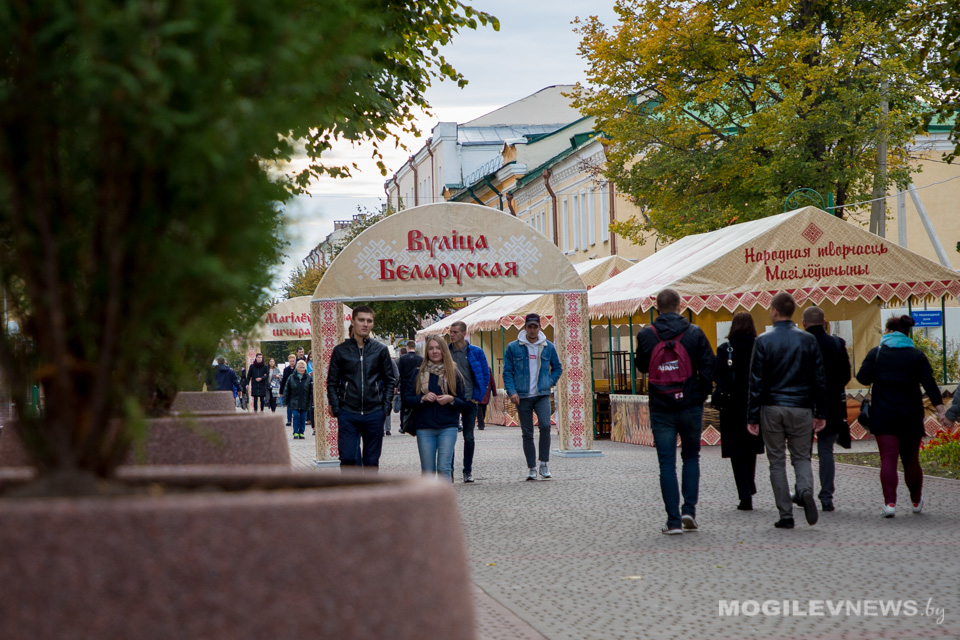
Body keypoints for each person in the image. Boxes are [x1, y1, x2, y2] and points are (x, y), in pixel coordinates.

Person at [634, 289, 715, 534]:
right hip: (690, 405)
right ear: (680, 305)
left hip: (661, 407)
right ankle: (689, 510)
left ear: (657, 308)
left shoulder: (647, 335)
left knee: (666, 465)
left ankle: (673, 521)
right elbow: (709, 367)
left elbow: (642, 366)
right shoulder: (694, 332)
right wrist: (699, 395)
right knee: (691, 457)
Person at [746, 292, 827, 529]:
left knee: (777, 461)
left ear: (774, 310)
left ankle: (785, 514)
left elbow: (756, 382)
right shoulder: (808, 340)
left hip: (772, 407)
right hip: (802, 407)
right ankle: (805, 490)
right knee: (802, 457)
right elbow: (819, 378)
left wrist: (752, 416)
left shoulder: (763, 341)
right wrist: (820, 412)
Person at [855, 315, 948, 517]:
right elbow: (930, 384)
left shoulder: (877, 353)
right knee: (911, 460)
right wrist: (941, 410)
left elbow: (862, 378)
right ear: (907, 333)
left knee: (888, 459)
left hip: (884, 415)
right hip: (910, 415)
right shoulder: (916, 355)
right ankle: (916, 501)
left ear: (889, 331)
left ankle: (889, 504)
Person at [327, 305, 396, 470]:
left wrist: (386, 407)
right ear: (353, 322)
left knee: (371, 461)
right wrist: (336, 407)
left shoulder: (380, 350)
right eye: (361, 320)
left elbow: (390, 380)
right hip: (348, 412)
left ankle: (369, 488)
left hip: (374, 412)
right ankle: (351, 487)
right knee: (348, 457)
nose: (365, 324)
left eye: (369, 321)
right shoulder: (340, 351)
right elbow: (332, 381)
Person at [801, 306, 852, 511]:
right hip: (832, 404)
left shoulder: (800, 343)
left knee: (802, 453)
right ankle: (826, 497)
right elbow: (846, 375)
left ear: (803, 324)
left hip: (804, 404)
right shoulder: (837, 343)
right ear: (824, 322)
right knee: (826, 451)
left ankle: (803, 491)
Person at [503, 313, 563, 481]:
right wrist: (512, 391)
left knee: (545, 425)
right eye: (529, 327)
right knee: (527, 432)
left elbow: (558, 367)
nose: (532, 330)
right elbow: (507, 372)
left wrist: (549, 381)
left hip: (541, 394)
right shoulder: (513, 347)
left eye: (535, 327)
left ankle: (544, 463)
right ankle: (532, 467)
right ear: (525, 327)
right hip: (522, 396)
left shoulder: (548, 346)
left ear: (540, 327)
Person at [713, 312, 763, 511]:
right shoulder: (759, 347)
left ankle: (744, 494)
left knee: (736, 451)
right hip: (753, 403)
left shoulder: (725, 349)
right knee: (750, 449)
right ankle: (749, 485)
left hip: (731, 405)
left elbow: (717, 375)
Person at [404, 336, 467, 480]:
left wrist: (451, 399)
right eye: (431, 348)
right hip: (424, 427)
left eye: (438, 348)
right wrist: (422, 398)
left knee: (444, 468)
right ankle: (429, 496)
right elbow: (407, 399)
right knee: (428, 471)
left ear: (444, 350)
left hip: (448, 427)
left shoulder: (454, 373)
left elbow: (464, 403)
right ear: (427, 352)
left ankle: (444, 495)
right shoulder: (419, 373)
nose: (435, 351)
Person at [448, 321, 491, 483]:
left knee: (469, 437)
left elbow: (484, 375)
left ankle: (468, 470)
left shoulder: (476, 352)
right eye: (451, 332)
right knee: (449, 437)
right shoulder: (446, 351)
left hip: (469, 399)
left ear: (464, 333)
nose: (452, 335)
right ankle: (449, 470)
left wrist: (478, 396)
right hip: (451, 400)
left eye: (455, 332)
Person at [397, 340, 424, 435]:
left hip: (405, 383)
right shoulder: (420, 359)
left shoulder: (402, 358)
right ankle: (416, 423)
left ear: (407, 347)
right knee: (416, 403)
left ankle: (403, 425)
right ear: (415, 347)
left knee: (404, 404)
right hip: (417, 383)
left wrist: (397, 385)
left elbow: (398, 372)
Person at [285, 359, 313, 439]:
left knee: (303, 417)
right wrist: (285, 400)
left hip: (305, 401)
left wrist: (312, 400)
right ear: (297, 368)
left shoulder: (309, 378)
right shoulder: (291, 377)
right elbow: (287, 389)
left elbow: (311, 390)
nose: (302, 369)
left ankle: (301, 432)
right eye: (300, 367)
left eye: (303, 367)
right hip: (294, 401)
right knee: (296, 416)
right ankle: (295, 432)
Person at [383, 356, 400, 436]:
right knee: (387, 406)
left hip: (377, 387)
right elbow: (397, 375)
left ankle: (381, 428)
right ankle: (387, 429)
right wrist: (394, 385)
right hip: (388, 387)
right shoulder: (391, 361)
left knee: (378, 408)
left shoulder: (374, 358)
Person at [477, 366, 497, 431]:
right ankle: (481, 423)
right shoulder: (488, 368)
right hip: (486, 390)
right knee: (483, 406)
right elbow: (492, 381)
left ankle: (481, 423)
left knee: (479, 406)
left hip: (478, 389)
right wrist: (494, 392)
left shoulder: (475, 367)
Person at [280, 353, 297, 426]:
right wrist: (281, 391)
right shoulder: (286, 370)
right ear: (289, 361)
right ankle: (289, 420)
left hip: (297, 389)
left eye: (293, 361)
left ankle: (296, 419)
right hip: (289, 389)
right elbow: (283, 380)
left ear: (295, 361)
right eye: (290, 361)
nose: (292, 362)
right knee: (289, 406)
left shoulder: (298, 369)